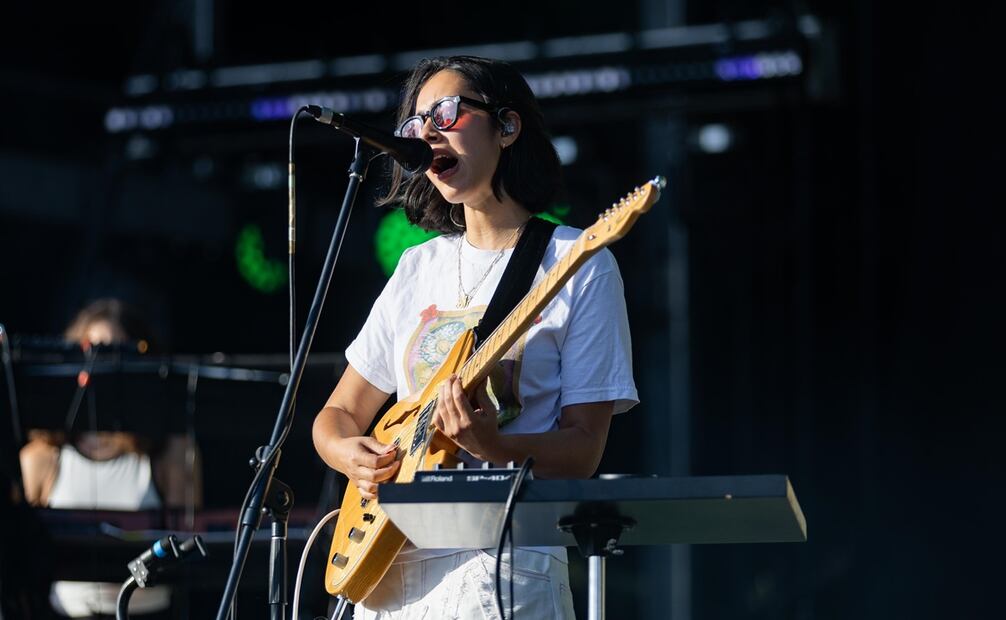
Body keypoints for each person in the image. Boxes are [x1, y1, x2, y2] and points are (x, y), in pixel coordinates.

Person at [312, 55, 637, 619]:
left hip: (502, 567)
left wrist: (495, 447)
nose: (427, 133)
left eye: (446, 112)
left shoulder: (579, 263)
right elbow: (337, 413)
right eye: (415, 125)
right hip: (391, 574)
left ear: (508, 127)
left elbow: (584, 447)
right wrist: (348, 454)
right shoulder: (417, 267)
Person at [18, 298, 201, 619]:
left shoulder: (166, 454)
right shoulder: (43, 456)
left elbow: (188, 548)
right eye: (94, 351)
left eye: (118, 354)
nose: (103, 367)